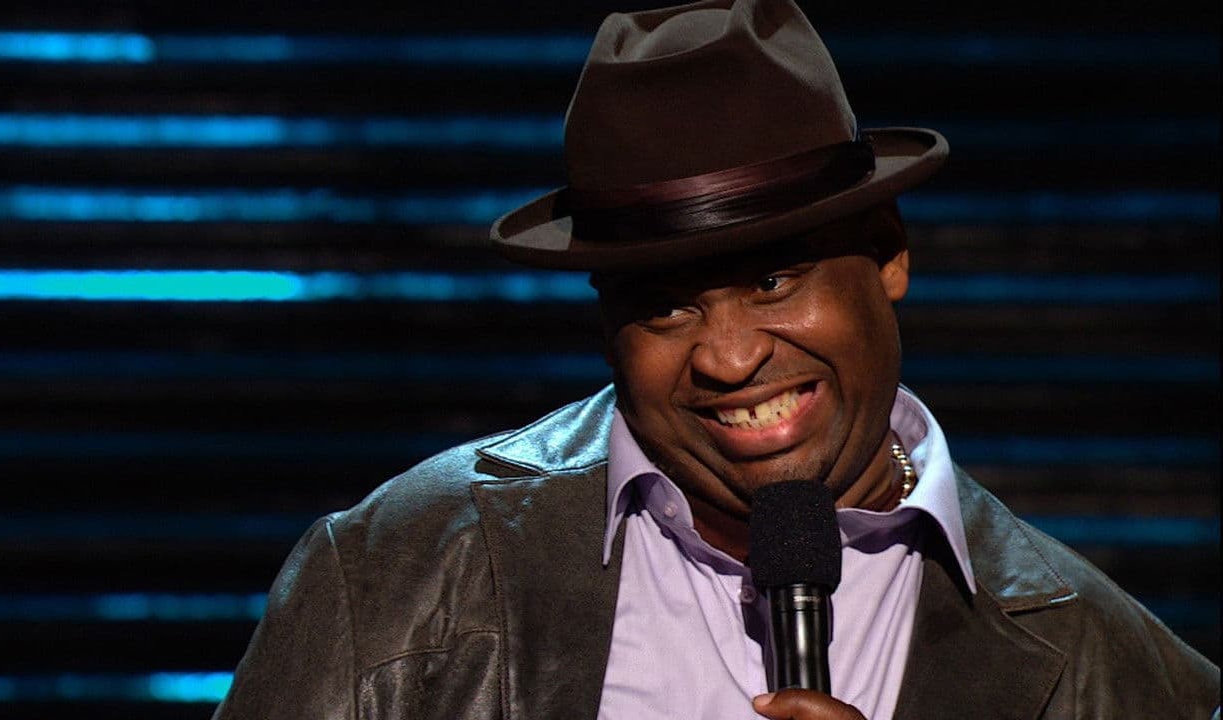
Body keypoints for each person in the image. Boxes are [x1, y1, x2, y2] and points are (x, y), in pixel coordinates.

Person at [213, 0, 1220, 718]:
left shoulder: (1123, 679)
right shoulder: (395, 573)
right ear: (606, 320)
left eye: (774, 280)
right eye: (666, 305)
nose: (730, 361)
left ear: (887, 255)